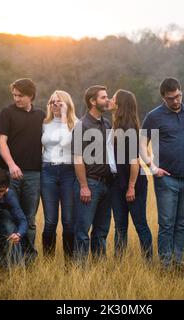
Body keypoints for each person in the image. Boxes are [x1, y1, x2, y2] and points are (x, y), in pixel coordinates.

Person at [140, 77, 184, 271]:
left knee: (182, 224)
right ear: (163, 97)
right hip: (166, 179)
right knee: (166, 224)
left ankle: (178, 263)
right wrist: (152, 168)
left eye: (179, 96)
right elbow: (141, 143)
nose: (176, 101)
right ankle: (166, 266)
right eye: (171, 98)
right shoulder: (154, 116)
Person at [0, 78, 45, 265]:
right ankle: (3, 261)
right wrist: (11, 165)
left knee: (29, 219)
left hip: (34, 175)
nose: (16, 99)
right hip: (10, 174)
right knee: (8, 218)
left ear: (30, 96)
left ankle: (28, 259)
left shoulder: (40, 115)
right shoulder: (7, 113)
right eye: (14, 95)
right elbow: (1, 142)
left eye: (20, 95)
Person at [108, 89, 153, 261]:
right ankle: (119, 263)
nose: (110, 100)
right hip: (118, 183)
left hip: (133, 183)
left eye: (113, 98)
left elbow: (134, 162)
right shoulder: (115, 126)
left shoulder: (129, 129)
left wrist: (131, 187)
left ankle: (148, 262)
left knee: (140, 224)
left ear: (120, 105)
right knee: (120, 226)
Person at [71, 85, 113, 265]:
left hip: (107, 185)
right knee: (82, 230)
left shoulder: (107, 123)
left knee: (102, 230)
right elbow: (78, 159)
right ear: (92, 101)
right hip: (90, 183)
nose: (108, 100)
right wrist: (84, 186)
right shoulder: (81, 125)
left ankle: (99, 267)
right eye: (104, 97)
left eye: (107, 97)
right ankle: (80, 270)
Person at [40, 90, 78, 260]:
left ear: (67, 104)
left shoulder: (76, 123)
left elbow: (66, 142)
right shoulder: (44, 124)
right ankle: (48, 262)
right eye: (52, 102)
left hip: (69, 173)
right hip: (48, 171)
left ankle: (69, 263)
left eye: (59, 102)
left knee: (69, 222)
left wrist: (64, 117)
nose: (55, 105)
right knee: (50, 221)